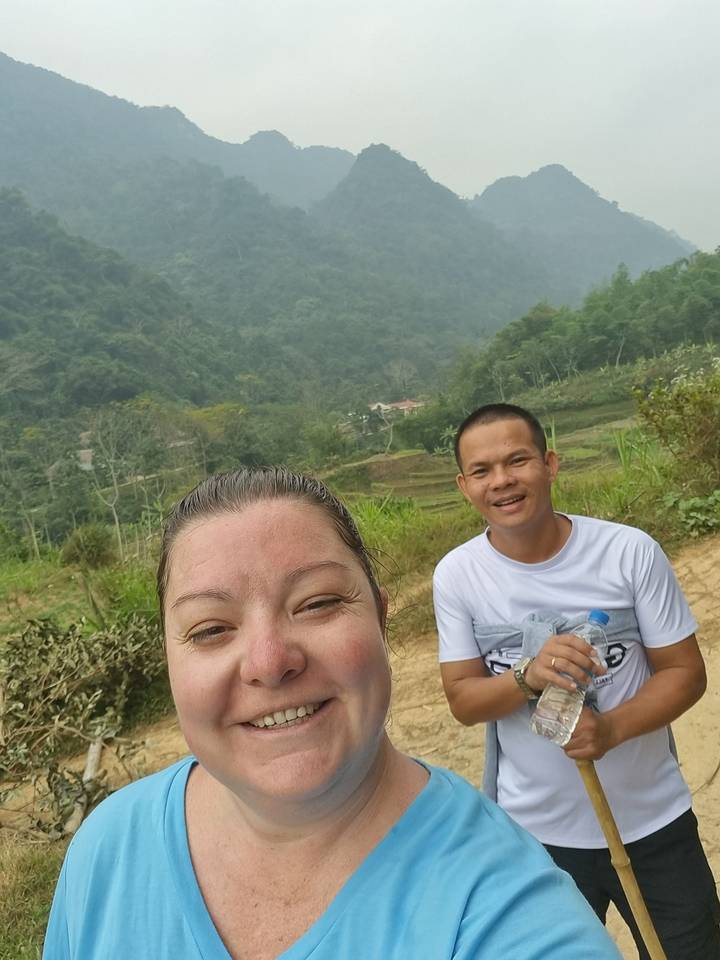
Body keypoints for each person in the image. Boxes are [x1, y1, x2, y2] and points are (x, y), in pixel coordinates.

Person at [44, 466, 620, 960]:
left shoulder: (505, 913)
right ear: (168, 658)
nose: (269, 663)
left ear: (380, 616)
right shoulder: (106, 853)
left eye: (317, 603)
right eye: (212, 629)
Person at [433, 402, 720, 960]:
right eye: (483, 471)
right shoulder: (458, 576)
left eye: (518, 461)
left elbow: (685, 674)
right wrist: (526, 675)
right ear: (464, 486)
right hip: (536, 838)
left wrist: (610, 729)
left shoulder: (627, 552)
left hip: (652, 820)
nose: (503, 481)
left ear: (550, 465)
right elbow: (464, 701)